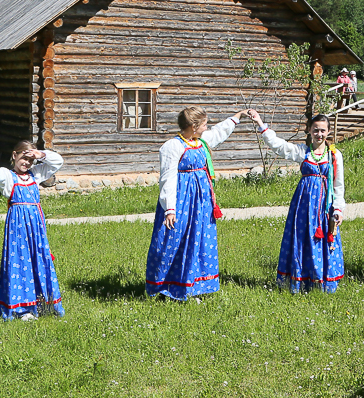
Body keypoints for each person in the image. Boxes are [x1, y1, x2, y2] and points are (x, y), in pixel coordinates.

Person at [146, 107, 244, 299]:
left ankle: (193, 286)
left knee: (197, 241)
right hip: (181, 201)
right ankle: (167, 286)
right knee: (174, 239)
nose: (207, 128)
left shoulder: (200, 142)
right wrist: (170, 209)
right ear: (193, 126)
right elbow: (167, 178)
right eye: (204, 124)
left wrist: (237, 117)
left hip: (200, 202)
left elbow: (219, 133)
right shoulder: (173, 146)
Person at [244, 111, 345, 292]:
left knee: (322, 240)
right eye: (315, 130)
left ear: (329, 131)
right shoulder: (302, 152)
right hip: (303, 206)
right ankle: (301, 281)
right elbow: (279, 146)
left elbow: (339, 184)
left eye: (322, 130)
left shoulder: (334, 155)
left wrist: (338, 209)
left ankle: (321, 282)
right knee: (302, 239)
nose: (319, 134)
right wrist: (260, 123)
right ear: (309, 131)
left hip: (324, 207)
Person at [0, 141, 66, 319]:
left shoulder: (35, 174)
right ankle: (22, 308)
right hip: (18, 228)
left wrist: (40, 155)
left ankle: (42, 303)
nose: (27, 163)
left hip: (36, 228)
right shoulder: (8, 177)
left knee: (38, 259)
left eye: (30, 160)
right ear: (14, 155)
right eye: (24, 158)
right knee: (20, 260)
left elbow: (58, 162)